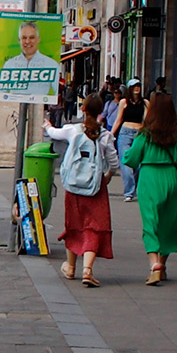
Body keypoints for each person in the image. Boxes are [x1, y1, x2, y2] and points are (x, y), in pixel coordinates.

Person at [122, 91, 177, 286]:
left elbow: (131, 159)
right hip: (172, 179)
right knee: (168, 224)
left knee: (151, 223)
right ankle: (162, 265)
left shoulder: (145, 134)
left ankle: (154, 264)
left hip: (149, 178)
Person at [45, 95, 119, 286]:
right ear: (101, 111)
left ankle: (70, 267)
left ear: (83, 109)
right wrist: (108, 174)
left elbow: (54, 133)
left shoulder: (73, 131)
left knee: (74, 224)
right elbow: (114, 162)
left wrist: (47, 125)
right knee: (94, 226)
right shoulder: (105, 135)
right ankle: (87, 270)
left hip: (74, 186)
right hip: (96, 187)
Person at [117, 80, 146, 202]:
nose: (137, 88)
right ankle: (129, 192)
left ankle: (133, 188)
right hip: (125, 132)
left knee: (139, 165)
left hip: (139, 134)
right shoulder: (124, 102)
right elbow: (119, 119)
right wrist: (111, 134)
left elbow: (146, 121)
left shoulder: (145, 103)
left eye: (138, 86)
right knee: (126, 163)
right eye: (134, 86)